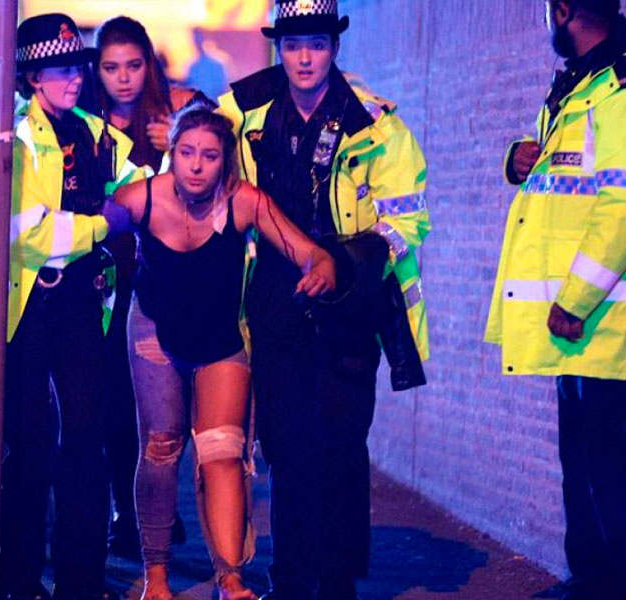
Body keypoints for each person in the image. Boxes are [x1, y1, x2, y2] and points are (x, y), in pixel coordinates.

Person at [218, 2, 430, 598]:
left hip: (349, 303)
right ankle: (290, 579)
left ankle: (336, 584)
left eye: (316, 43)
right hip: (273, 297)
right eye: (292, 45)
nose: (304, 58)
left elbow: (407, 222)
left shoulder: (375, 122)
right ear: (278, 48)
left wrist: (344, 264)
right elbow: (201, 166)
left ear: (335, 47)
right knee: (285, 446)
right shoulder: (242, 109)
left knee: (340, 444)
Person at [485, 2, 626, 599]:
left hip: (620, 334)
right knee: (586, 478)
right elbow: (574, 186)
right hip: (589, 336)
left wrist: (573, 299)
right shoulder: (583, 86)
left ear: (564, 10)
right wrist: (520, 159)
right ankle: (591, 586)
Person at [0, 13, 140, 600]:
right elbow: (23, 231)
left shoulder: (98, 134)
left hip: (82, 303)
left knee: (85, 442)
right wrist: (102, 225)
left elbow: (138, 186)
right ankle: (20, 580)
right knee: (26, 447)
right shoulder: (7, 139)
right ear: (32, 77)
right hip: (24, 307)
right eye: (58, 69)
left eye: (76, 66)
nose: (74, 78)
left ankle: (81, 581)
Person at [114, 103, 336, 600]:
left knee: (223, 451)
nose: (196, 165)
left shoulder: (244, 201)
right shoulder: (140, 198)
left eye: (209, 156)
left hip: (218, 338)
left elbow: (309, 252)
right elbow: (91, 230)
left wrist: (323, 268)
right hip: (155, 329)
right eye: (186, 153)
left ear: (226, 161)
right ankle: (156, 576)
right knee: (162, 445)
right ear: (172, 152)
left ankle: (230, 576)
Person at [92, 14, 198, 560]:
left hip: (171, 276)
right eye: (111, 67)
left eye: (133, 65)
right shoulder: (85, 121)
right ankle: (127, 512)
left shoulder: (177, 111)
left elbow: (215, 171)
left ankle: (162, 509)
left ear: (149, 66)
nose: (124, 78)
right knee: (115, 400)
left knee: (169, 406)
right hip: (108, 277)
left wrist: (177, 136)